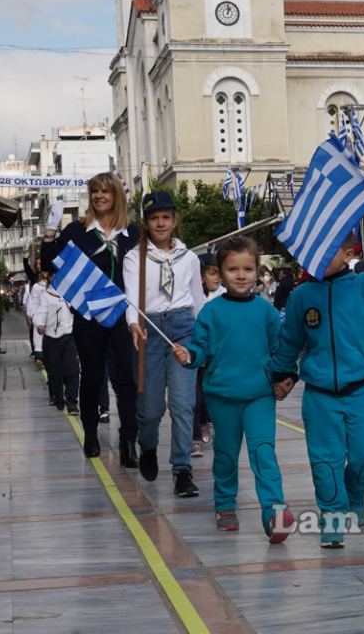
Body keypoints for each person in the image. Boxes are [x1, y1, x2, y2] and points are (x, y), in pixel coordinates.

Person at [273, 234, 364, 548]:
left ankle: (356, 491)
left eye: (329, 250)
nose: (320, 256)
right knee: (325, 464)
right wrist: (284, 373)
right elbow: (289, 342)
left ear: (348, 254)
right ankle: (333, 520)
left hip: (361, 392)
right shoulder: (302, 296)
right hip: (320, 397)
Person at [173, 236, 294, 538]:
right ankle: (225, 504)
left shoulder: (267, 311)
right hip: (222, 397)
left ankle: (275, 512)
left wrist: (287, 377)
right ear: (220, 273)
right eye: (232, 269)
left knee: (264, 452)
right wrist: (189, 356)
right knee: (226, 454)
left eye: (248, 269)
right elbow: (200, 349)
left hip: (259, 396)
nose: (241, 275)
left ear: (257, 271)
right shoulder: (211, 313)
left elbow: (282, 350)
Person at [41, 172, 140, 464]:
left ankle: (128, 441)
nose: (99, 196)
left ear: (116, 196)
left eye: (105, 191)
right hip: (88, 317)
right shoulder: (76, 231)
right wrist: (50, 232)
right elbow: (49, 263)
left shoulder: (133, 233)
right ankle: (91, 435)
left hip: (124, 316)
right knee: (93, 377)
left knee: (126, 380)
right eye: (94, 191)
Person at [124, 190, 205, 497]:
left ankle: (182, 469)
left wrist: (203, 340)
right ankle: (147, 445)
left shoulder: (189, 258)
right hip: (150, 329)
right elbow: (131, 296)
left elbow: (197, 300)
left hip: (184, 327)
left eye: (166, 218)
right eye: (154, 218)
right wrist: (133, 322)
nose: (160, 223)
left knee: (183, 404)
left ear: (174, 220)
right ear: (146, 222)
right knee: (150, 408)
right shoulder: (135, 257)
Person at [33, 268, 79, 414]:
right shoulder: (47, 295)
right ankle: (58, 396)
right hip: (52, 338)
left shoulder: (72, 294)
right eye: (53, 276)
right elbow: (40, 312)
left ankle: (72, 401)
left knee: (72, 370)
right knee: (55, 372)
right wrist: (39, 324)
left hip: (69, 337)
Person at [191, 252, 223, 457]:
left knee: (207, 395)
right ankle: (193, 437)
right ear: (201, 276)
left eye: (219, 273)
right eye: (212, 273)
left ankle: (205, 421)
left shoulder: (222, 295)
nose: (217, 278)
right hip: (193, 352)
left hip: (214, 356)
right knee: (192, 398)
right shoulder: (191, 295)